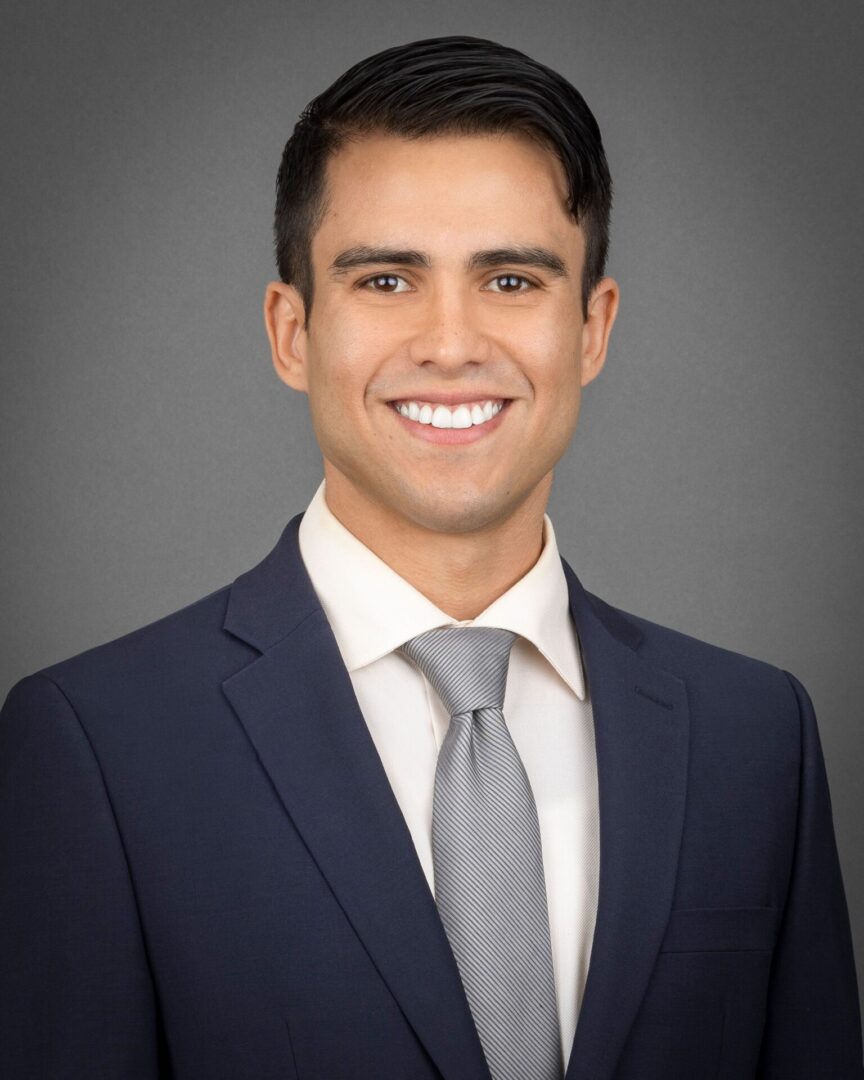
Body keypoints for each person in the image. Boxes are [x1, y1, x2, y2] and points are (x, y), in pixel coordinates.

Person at [0, 33, 861, 1080]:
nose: (452, 343)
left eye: (508, 278)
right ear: (291, 331)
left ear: (592, 328)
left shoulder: (755, 735)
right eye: (387, 280)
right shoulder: (98, 748)